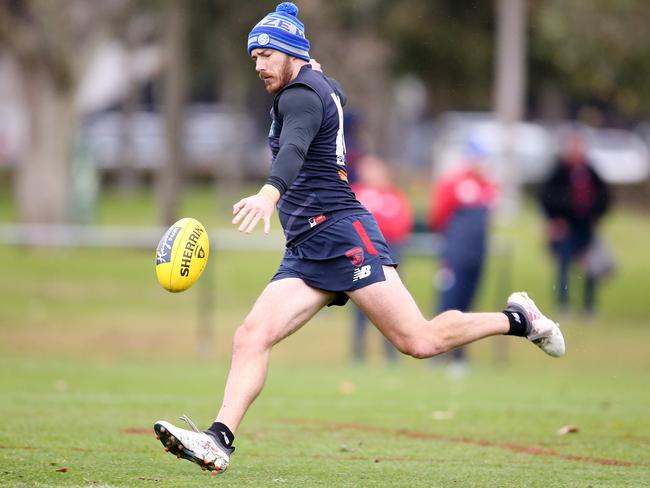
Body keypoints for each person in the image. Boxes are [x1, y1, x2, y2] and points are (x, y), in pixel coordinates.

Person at [153, 2, 565, 475]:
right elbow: (339, 97)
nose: (260, 66)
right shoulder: (318, 85)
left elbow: (294, 147)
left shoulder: (299, 96)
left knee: (419, 340)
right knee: (250, 336)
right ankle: (218, 440)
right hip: (308, 248)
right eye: (254, 58)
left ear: (290, 52)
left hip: (342, 235)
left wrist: (270, 194)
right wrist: (316, 73)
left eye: (267, 55)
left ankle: (519, 318)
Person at [428, 143, 497, 375]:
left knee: (468, 304)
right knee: (449, 301)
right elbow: (439, 216)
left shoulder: (487, 185)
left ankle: (460, 356)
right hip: (455, 252)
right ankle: (435, 352)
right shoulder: (454, 182)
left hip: (478, 254)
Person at [539, 130, 611, 315]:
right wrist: (554, 220)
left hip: (585, 228)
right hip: (566, 228)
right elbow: (546, 196)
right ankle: (563, 303)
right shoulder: (559, 171)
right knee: (563, 265)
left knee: (590, 266)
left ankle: (588, 305)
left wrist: (597, 215)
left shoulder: (590, 171)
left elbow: (605, 196)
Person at [350, 154, 414, 364]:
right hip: (362, 256)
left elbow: (402, 224)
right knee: (361, 307)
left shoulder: (394, 196)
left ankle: (391, 353)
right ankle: (358, 353)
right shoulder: (356, 193)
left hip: (389, 254)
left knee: (391, 307)